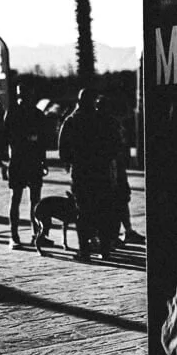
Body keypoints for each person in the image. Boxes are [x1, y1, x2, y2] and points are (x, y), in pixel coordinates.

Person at [59, 88, 120, 261]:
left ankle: (85, 251)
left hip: (81, 172)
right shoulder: (104, 120)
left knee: (83, 213)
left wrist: (73, 161)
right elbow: (115, 145)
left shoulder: (72, 121)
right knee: (103, 210)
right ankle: (105, 249)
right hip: (101, 171)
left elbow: (63, 150)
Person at [95, 95, 145, 248]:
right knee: (114, 200)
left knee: (120, 198)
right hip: (109, 167)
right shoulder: (104, 123)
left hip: (115, 166)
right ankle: (110, 236)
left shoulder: (109, 122)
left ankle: (118, 234)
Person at [4, 81, 49, 250]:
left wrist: (43, 160)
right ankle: (14, 235)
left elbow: (43, 140)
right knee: (17, 198)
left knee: (34, 201)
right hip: (19, 160)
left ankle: (36, 234)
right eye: (21, 95)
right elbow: (6, 137)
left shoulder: (36, 114)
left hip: (32, 161)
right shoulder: (13, 113)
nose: (23, 98)